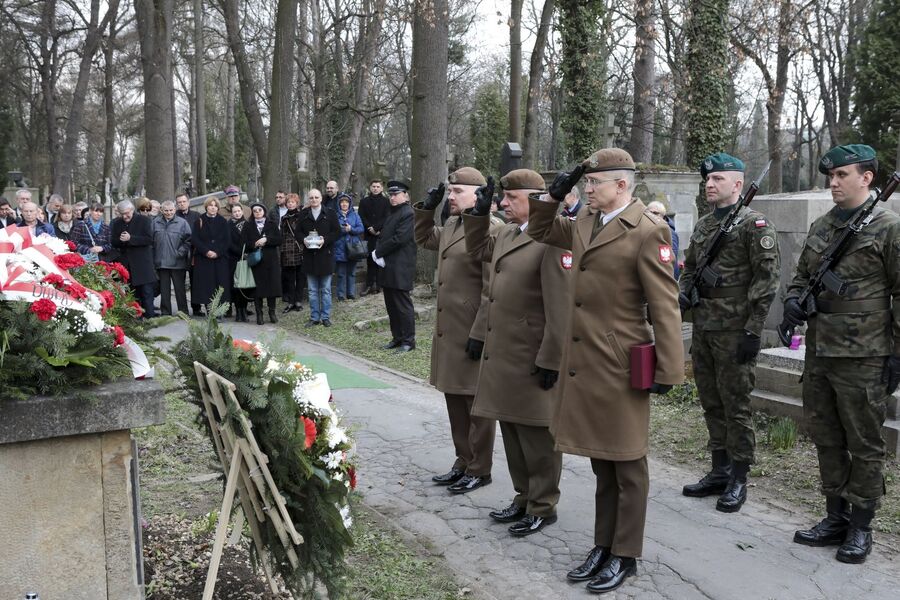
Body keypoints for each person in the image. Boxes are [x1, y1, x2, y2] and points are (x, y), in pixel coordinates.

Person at [528, 148, 684, 593]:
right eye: (585, 183)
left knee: (628, 464)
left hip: (620, 363)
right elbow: (539, 228)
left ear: (621, 185)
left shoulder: (647, 230)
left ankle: (626, 554)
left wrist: (669, 369)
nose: (587, 188)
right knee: (602, 462)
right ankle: (603, 545)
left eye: (594, 183)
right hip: (584, 361)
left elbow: (664, 305)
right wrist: (551, 195)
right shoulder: (585, 222)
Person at [784, 144, 900, 565]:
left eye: (841, 175)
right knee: (826, 435)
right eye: (830, 176)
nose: (832, 183)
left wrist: (896, 354)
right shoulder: (822, 225)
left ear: (867, 177)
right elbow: (801, 277)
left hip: (865, 354)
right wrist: (794, 302)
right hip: (820, 351)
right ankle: (835, 516)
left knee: (864, 441)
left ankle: (861, 527)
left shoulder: (888, 227)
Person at [462, 169, 571, 535]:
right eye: (502, 198)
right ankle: (523, 495)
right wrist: (477, 215)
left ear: (536, 199)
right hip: (504, 352)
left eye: (512, 198)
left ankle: (543, 503)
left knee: (537, 434)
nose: (503, 203)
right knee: (511, 426)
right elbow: (476, 250)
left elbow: (560, 306)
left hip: (532, 354)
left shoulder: (551, 238)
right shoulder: (508, 232)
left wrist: (551, 357)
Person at [677, 153, 780, 513]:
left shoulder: (755, 225)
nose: (710, 183)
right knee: (711, 401)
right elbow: (690, 267)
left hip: (736, 330)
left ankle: (738, 476)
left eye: (718, 179)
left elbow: (766, 283)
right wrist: (685, 290)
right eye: (708, 178)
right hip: (705, 327)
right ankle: (719, 469)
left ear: (737, 184)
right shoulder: (706, 225)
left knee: (736, 406)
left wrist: (753, 330)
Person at [415, 167, 496, 494]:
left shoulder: (491, 228)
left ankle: (480, 468)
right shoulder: (451, 224)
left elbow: (492, 289)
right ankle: (463, 461)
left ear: (478, 194)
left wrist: (480, 333)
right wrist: (424, 210)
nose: (450, 197)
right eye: (449, 192)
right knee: (455, 400)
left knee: (476, 406)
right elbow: (423, 238)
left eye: (457, 191)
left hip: (472, 331)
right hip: (449, 331)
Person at [374, 180, 417, 352]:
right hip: (389, 265)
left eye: (396, 194)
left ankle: (408, 341)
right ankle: (397, 338)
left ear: (405, 195)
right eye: (391, 195)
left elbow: (400, 238)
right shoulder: (393, 212)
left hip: (401, 266)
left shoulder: (408, 213)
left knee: (402, 305)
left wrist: (378, 252)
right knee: (391, 304)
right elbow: (384, 235)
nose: (392, 198)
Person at [299, 188, 340, 327]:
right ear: (308, 200)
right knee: (312, 290)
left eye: (316, 197)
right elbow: (297, 232)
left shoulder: (330, 213)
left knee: (326, 290)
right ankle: (314, 317)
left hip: (325, 256)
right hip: (310, 257)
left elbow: (337, 232)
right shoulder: (304, 214)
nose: (314, 200)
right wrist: (303, 239)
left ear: (321, 199)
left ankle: (326, 317)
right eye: (311, 198)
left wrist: (325, 239)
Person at [111, 200, 157, 318]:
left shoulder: (144, 220)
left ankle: (150, 317)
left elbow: (148, 239)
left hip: (142, 262)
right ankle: (136, 317)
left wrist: (131, 238)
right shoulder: (116, 223)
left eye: (127, 213)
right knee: (132, 292)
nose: (125, 216)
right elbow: (113, 242)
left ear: (132, 210)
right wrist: (120, 240)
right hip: (127, 263)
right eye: (122, 214)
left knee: (146, 292)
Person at [242, 203, 283, 325]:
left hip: (271, 261)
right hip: (256, 261)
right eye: (255, 211)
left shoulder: (271, 224)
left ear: (264, 211)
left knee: (272, 288)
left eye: (260, 210)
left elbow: (279, 240)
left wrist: (267, 240)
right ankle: (259, 314)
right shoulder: (248, 225)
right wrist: (254, 244)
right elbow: (243, 242)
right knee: (258, 290)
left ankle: (272, 313)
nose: (258, 212)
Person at [191, 197, 232, 313]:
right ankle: (209, 310)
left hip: (219, 259)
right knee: (206, 285)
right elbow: (195, 239)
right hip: (204, 258)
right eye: (210, 205)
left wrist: (217, 252)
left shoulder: (223, 221)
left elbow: (227, 240)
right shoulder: (199, 220)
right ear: (206, 207)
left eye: (215, 205)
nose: (213, 207)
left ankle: (219, 311)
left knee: (220, 284)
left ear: (218, 208)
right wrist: (206, 251)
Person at [153, 200, 192, 316]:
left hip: (177, 262)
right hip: (161, 262)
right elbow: (151, 241)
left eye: (171, 210)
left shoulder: (182, 223)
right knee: (164, 290)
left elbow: (188, 241)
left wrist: (179, 253)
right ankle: (165, 313)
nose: (169, 213)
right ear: (161, 210)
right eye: (166, 210)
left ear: (175, 210)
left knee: (179, 289)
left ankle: (183, 312)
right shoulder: (155, 222)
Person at [359, 179, 390, 296]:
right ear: (370, 188)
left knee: (380, 259)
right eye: (373, 186)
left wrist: (377, 228)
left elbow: (387, 217)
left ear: (382, 188)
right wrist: (369, 228)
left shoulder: (386, 202)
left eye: (378, 186)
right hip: (369, 234)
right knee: (370, 260)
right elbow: (361, 216)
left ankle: (379, 285)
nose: (375, 188)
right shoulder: (364, 201)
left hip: (381, 234)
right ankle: (369, 285)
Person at [175, 192, 202, 316]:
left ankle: (196, 308)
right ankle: (182, 309)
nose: (181, 204)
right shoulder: (174, 216)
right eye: (179, 202)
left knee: (195, 281)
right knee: (179, 283)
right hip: (179, 253)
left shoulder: (197, 216)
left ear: (188, 202)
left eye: (183, 201)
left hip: (194, 253)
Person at [334, 195, 365, 301]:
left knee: (351, 273)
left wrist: (351, 229)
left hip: (353, 248)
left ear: (349, 204)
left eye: (346, 202)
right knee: (341, 273)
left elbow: (361, 228)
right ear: (339, 204)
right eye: (342, 202)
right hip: (340, 247)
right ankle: (341, 295)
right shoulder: (335, 215)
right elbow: (333, 230)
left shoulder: (355, 215)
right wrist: (343, 230)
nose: (344, 204)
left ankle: (351, 293)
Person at [280, 193, 305, 313]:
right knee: (289, 277)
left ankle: (298, 300)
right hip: (287, 249)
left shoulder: (302, 216)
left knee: (300, 276)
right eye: (288, 202)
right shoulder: (283, 218)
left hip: (299, 248)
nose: (290, 204)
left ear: (297, 203)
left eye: (292, 202)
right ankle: (291, 301)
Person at [647, 200, 681, 279]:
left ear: (663, 216)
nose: (651, 215)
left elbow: (668, 261)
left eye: (655, 213)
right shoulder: (649, 229)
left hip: (665, 278)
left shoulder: (669, 233)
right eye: (648, 212)